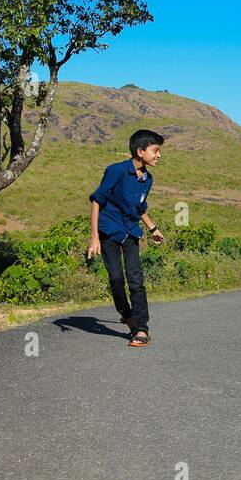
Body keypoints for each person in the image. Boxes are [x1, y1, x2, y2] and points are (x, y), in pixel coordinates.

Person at [86, 129, 166, 347]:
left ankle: (141, 329)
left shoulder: (147, 179)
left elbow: (139, 206)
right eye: (155, 151)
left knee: (136, 280)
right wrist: (94, 238)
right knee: (116, 279)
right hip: (108, 231)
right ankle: (126, 313)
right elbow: (96, 201)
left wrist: (153, 228)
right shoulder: (115, 171)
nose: (158, 155)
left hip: (131, 232)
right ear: (140, 151)